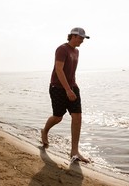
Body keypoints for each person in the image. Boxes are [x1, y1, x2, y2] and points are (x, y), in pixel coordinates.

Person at [41, 27, 90, 163]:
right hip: (58, 88)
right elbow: (59, 69)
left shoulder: (77, 51)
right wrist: (67, 90)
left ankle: (74, 151)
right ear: (73, 36)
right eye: (80, 38)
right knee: (58, 117)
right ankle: (45, 131)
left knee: (77, 117)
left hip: (72, 87)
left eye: (83, 38)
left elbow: (70, 72)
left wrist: (72, 88)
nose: (82, 41)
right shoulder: (62, 49)